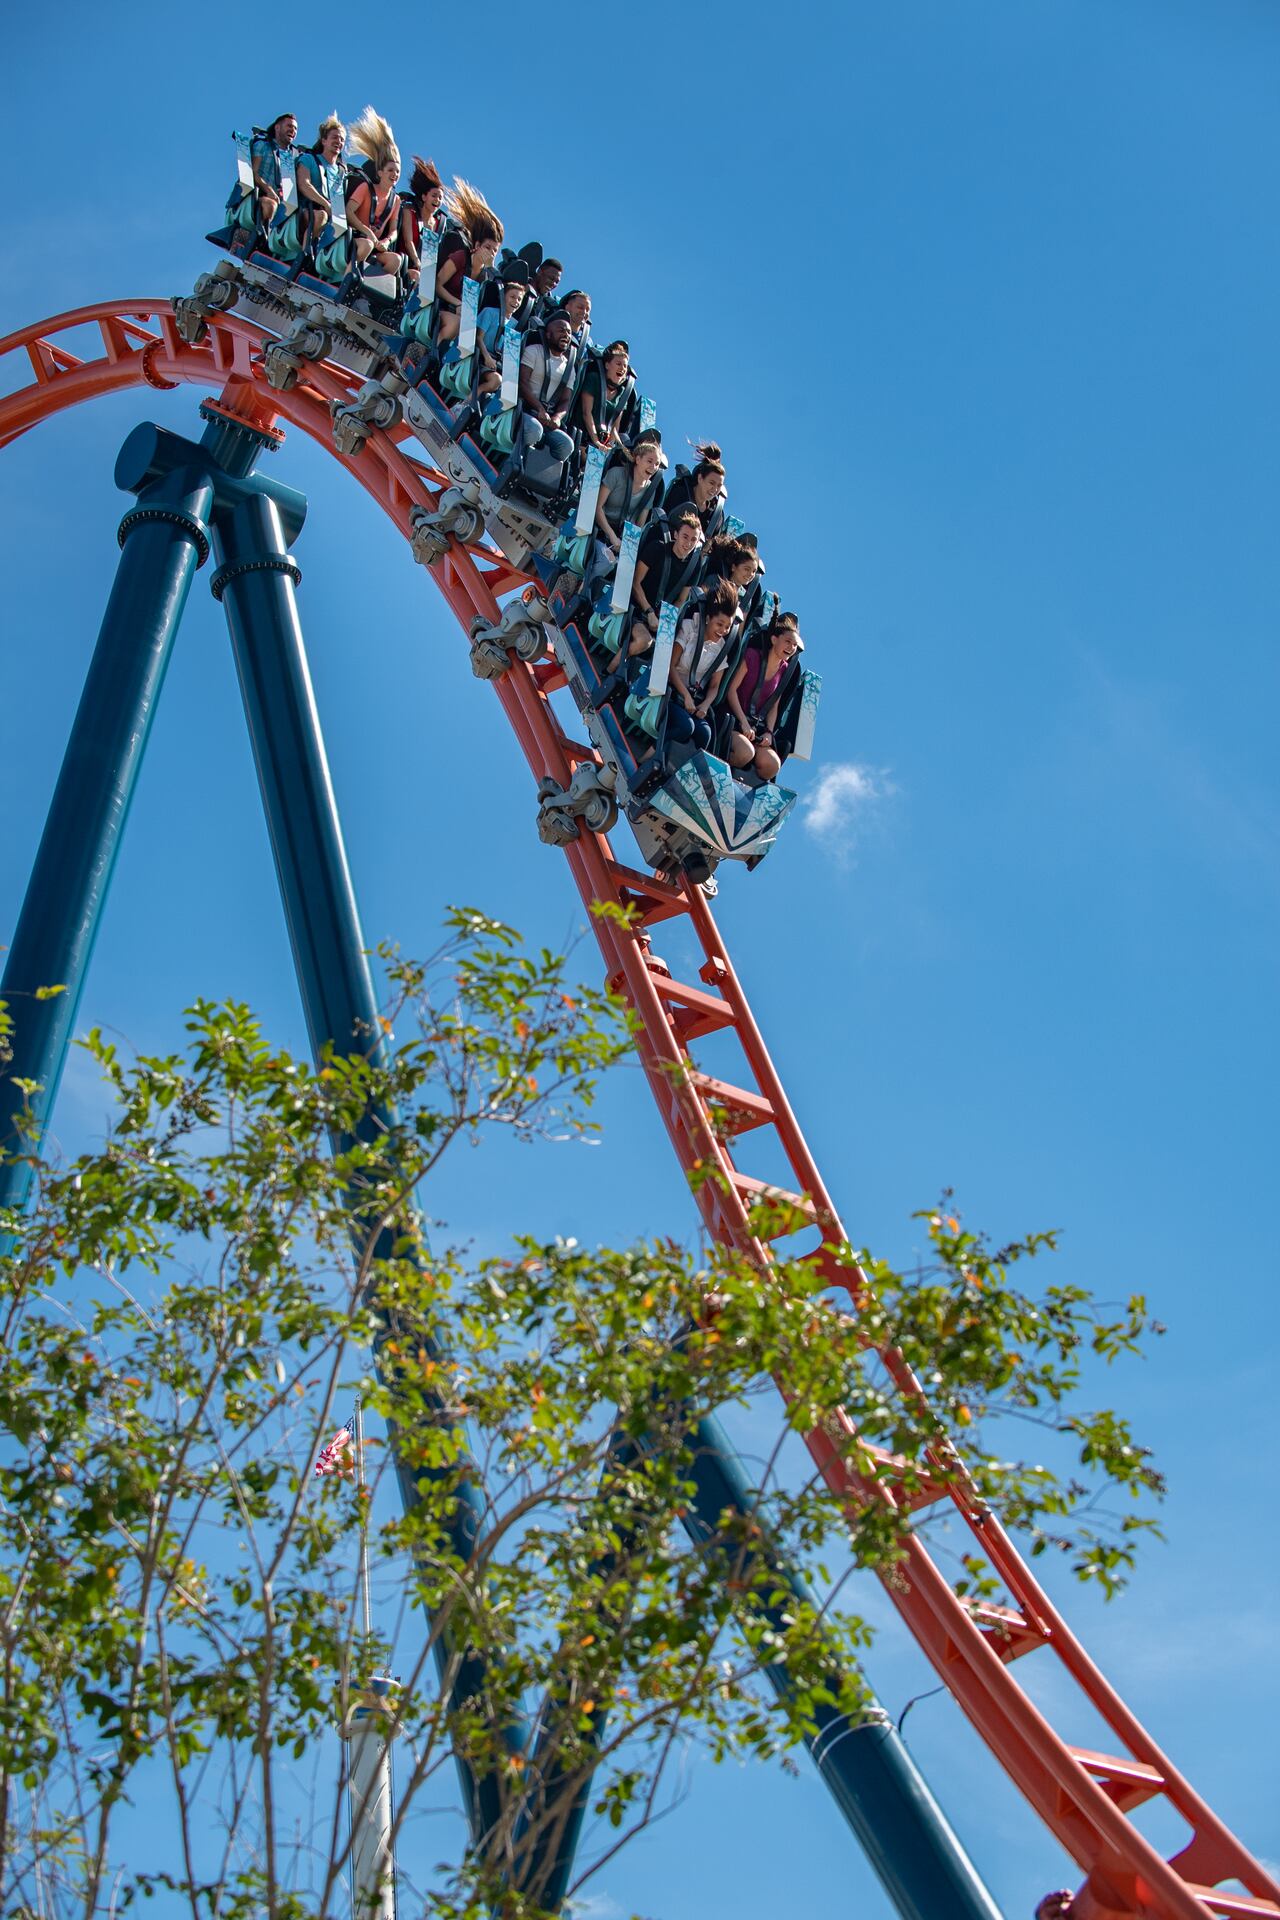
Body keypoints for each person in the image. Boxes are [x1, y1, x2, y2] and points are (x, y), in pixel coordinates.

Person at [723, 610, 803, 782]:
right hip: (734, 720)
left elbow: (774, 706)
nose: (791, 648)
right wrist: (743, 722)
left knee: (772, 765)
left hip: (756, 729)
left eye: (794, 645)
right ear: (774, 639)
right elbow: (731, 690)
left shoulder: (784, 671)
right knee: (745, 752)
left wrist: (768, 732)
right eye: (787, 642)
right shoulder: (752, 656)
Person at [667, 581, 740, 751]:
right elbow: (670, 666)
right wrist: (685, 696)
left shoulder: (721, 647)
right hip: (671, 691)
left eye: (727, 627)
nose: (723, 630)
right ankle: (651, 756)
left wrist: (706, 704)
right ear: (708, 619)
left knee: (705, 734)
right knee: (686, 727)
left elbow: (715, 685)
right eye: (719, 624)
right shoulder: (689, 628)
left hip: (693, 701)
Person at [436, 179, 505, 346]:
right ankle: (430, 354)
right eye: (488, 247)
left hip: (459, 315)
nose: (491, 253)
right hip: (438, 304)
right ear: (477, 245)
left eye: (494, 250)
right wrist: (457, 303)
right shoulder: (461, 257)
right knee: (456, 324)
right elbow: (436, 284)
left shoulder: (485, 277)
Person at [343, 108, 405, 281]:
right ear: (380, 173)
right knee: (367, 245)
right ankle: (345, 281)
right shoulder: (365, 188)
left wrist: (386, 241)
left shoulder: (396, 200)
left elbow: (393, 230)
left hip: (375, 245)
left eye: (397, 171)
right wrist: (366, 231)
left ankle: (364, 292)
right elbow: (349, 211)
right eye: (390, 170)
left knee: (395, 260)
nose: (394, 174)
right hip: (355, 238)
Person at [228, 113, 298, 244]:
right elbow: (253, 173)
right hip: (257, 197)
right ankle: (264, 239)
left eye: (295, 129)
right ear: (277, 127)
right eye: (289, 126)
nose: (292, 131)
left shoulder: (291, 158)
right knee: (271, 205)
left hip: (281, 202)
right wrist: (269, 189)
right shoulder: (263, 145)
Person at [518, 309, 577, 462]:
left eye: (569, 333)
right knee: (534, 430)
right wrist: (539, 409)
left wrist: (557, 417)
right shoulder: (534, 351)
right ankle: (514, 465)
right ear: (548, 334)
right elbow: (522, 383)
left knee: (566, 445)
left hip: (548, 419)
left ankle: (537, 481)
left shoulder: (569, 368)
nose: (566, 335)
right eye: (561, 331)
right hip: (524, 410)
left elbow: (565, 401)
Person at [290, 115, 346, 256]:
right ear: (324, 141)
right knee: (321, 216)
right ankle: (306, 254)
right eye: (334, 137)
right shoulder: (308, 159)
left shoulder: (341, 174)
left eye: (342, 139)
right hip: (304, 212)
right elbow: (304, 184)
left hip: (329, 218)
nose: (338, 141)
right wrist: (325, 204)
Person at [572, 339, 637, 457]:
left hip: (602, 444)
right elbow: (587, 413)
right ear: (607, 365)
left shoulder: (622, 394)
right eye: (618, 364)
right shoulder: (594, 379)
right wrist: (596, 441)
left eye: (625, 366)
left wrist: (610, 447)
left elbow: (615, 427)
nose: (622, 368)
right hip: (582, 438)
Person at [477, 266, 530, 397]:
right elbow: (478, 337)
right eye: (512, 297)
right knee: (496, 380)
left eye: (519, 299)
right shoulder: (490, 312)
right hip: (480, 356)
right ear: (503, 297)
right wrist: (487, 357)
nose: (516, 302)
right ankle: (466, 402)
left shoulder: (515, 326)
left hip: (496, 364)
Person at [663, 440, 727, 537]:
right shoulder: (681, 492)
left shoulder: (716, 515)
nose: (714, 489)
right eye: (711, 483)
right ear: (700, 478)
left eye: (719, 485)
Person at [398, 155, 445, 288]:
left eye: (440, 198)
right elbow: (408, 242)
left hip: (421, 271)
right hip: (404, 263)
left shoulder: (437, 224)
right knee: (417, 277)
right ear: (424, 196)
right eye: (434, 196)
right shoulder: (410, 210)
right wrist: (417, 262)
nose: (437, 200)